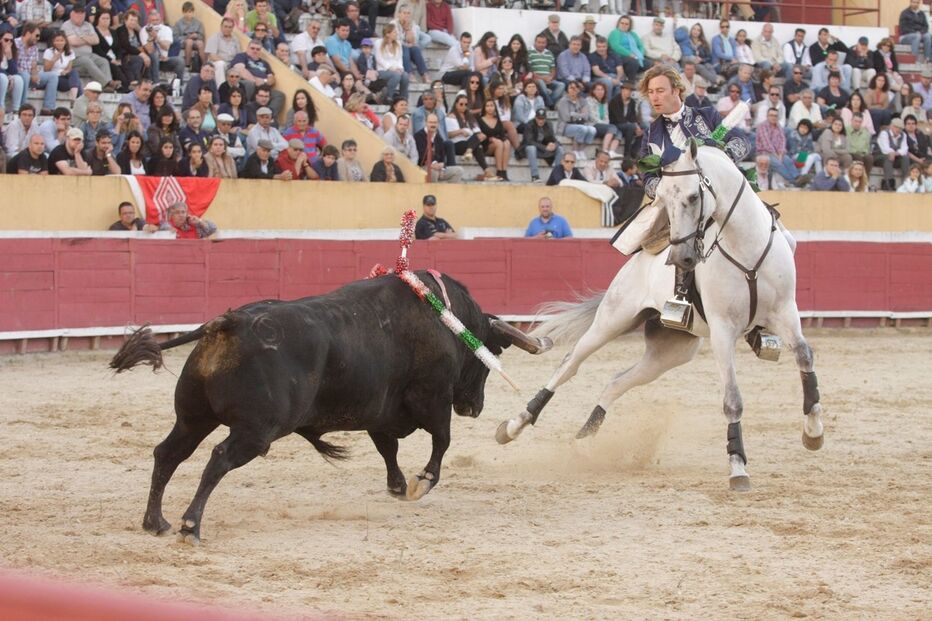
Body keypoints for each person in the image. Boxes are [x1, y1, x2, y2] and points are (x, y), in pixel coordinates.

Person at [62, 2, 116, 91]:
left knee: (103, 61)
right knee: (87, 61)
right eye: (77, 13)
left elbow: (96, 40)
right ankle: (107, 83)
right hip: (74, 57)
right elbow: (73, 42)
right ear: (72, 14)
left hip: (89, 55)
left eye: (82, 13)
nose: (80, 16)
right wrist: (88, 39)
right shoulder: (66, 25)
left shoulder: (88, 25)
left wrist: (81, 37)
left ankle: (105, 86)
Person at [14, 23, 60, 115]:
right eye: (36, 35)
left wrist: (34, 74)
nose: (38, 38)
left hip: (29, 75)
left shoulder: (34, 47)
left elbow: (34, 65)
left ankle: (47, 108)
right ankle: (23, 106)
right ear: (28, 33)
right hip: (18, 74)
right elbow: (13, 65)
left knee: (53, 76)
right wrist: (29, 74)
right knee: (25, 75)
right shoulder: (15, 43)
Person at [232, 39, 285, 116]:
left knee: (279, 95)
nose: (255, 51)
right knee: (250, 84)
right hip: (246, 85)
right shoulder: (241, 56)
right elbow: (240, 70)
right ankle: (244, 111)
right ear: (247, 48)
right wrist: (255, 81)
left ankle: (268, 116)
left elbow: (272, 79)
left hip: (262, 88)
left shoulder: (265, 63)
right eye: (252, 48)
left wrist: (264, 81)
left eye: (258, 49)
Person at [139, 10, 185, 83]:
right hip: (151, 60)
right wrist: (150, 36)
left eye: (157, 20)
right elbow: (149, 50)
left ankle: (177, 85)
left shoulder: (166, 29)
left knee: (180, 61)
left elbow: (166, 47)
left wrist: (156, 37)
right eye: (152, 20)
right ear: (148, 20)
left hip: (164, 60)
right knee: (155, 54)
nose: (155, 22)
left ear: (160, 20)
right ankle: (156, 82)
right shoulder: (144, 30)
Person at [415, 112, 462, 183]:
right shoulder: (418, 136)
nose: (433, 125)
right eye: (430, 122)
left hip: (437, 168)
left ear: (438, 124)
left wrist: (442, 168)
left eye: (435, 123)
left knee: (458, 171)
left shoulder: (439, 138)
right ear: (426, 123)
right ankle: (433, 193)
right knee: (433, 172)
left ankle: (450, 193)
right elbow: (421, 156)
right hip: (423, 167)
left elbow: (442, 157)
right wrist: (434, 164)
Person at [521, 108, 561, 183]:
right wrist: (545, 147)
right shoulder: (530, 124)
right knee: (531, 148)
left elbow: (553, 139)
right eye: (539, 118)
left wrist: (554, 145)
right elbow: (529, 141)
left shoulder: (548, 124)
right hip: (529, 150)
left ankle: (557, 176)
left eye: (542, 119)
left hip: (542, 150)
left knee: (560, 149)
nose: (541, 121)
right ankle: (535, 176)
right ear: (535, 117)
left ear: (545, 119)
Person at [528, 33, 563, 108]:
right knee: (541, 82)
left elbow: (553, 68)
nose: (541, 44)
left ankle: (549, 102)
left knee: (561, 85)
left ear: (546, 43)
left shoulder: (549, 53)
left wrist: (550, 77)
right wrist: (543, 78)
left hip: (548, 79)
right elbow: (530, 70)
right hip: (536, 79)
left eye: (543, 42)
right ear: (535, 42)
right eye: (539, 42)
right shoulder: (529, 52)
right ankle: (550, 104)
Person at [877, 117, 909, 191]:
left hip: (895, 157)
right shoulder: (884, 133)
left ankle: (906, 181)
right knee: (888, 158)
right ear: (891, 126)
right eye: (896, 127)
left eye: (900, 128)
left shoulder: (903, 135)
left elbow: (904, 149)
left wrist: (896, 153)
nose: (898, 129)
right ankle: (889, 182)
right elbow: (885, 148)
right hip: (880, 156)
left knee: (905, 158)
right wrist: (891, 153)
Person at [206, 16, 241, 81]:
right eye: (225, 26)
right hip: (216, 64)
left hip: (231, 64)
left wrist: (233, 64)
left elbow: (238, 55)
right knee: (221, 64)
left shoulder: (235, 39)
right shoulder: (214, 37)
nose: (227, 29)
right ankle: (221, 88)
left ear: (232, 28)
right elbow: (212, 56)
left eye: (230, 27)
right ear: (221, 27)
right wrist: (226, 63)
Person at [899, 0, 931, 65]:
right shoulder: (904, 13)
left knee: (928, 36)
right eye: (914, 2)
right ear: (910, 2)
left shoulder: (921, 13)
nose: (915, 4)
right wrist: (915, 32)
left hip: (919, 34)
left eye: (917, 3)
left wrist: (921, 32)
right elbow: (903, 28)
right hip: (906, 36)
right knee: (916, 36)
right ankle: (914, 59)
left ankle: (928, 59)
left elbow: (926, 26)